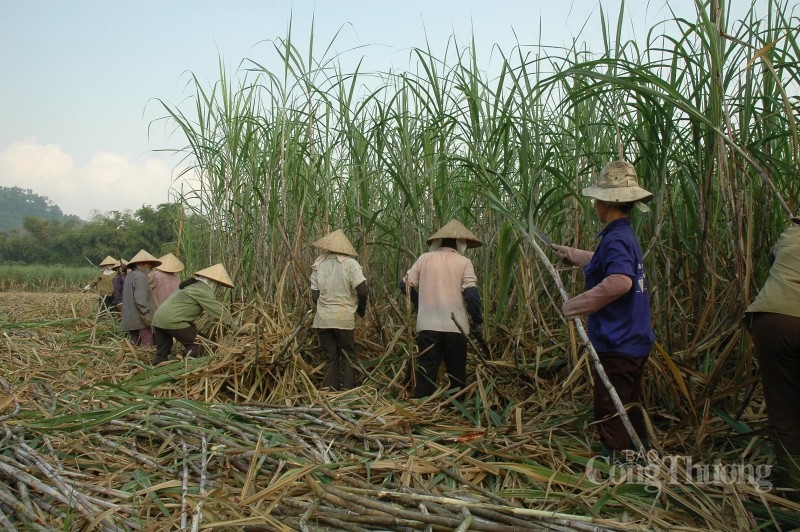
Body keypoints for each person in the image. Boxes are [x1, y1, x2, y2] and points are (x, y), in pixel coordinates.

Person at [553, 160, 655, 455]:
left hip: (618, 340)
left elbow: (620, 281)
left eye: (597, 199)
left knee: (611, 407)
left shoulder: (616, 238)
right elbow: (608, 265)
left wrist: (575, 305)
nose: (594, 205)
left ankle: (619, 469)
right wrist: (575, 255)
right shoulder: (622, 235)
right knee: (629, 402)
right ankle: (639, 452)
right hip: (633, 339)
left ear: (606, 203)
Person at [744, 216, 800, 495]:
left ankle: (794, 486)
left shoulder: (790, 234)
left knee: (784, 410)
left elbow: (773, 261)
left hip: (772, 321)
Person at [400, 219, 484, 398]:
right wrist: (478, 320)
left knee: (426, 374)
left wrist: (419, 301)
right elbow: (471, 295)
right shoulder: (464, 262)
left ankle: (422, 410)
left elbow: (404, 285)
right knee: (456, 375)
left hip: (427, 325)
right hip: (455, 327)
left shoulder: (424, 259)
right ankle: (457, 410)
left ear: (438, 242)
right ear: (461, 243)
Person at [309, 229, 368, 391]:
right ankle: (348, 394)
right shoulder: (350, 264)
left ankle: (329, 393)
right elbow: (363, 291)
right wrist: (361, 311)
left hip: (322, 319)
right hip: (343, 318)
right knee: (349, 356)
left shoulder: (318, 264)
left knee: (331, 357)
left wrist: (324, 307)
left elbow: (315, 295)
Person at [152, 263, 235, 365]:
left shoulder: (192, 286)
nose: (218, 287)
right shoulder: (202, 290)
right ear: (214, 282)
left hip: (159, 319)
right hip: (173, 320)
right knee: (198, 344)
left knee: (162, 353)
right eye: (219, 285)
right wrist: (236, 328)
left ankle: (155, 372)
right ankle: (184, 368)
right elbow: (219, 311)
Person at [120, 250, 161, 347]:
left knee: (134, 340)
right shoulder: (141, 276)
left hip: (129, 315)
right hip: (139, 316)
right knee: (147, 338)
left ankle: (132, 358)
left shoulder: (129, 276)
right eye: (148, 264)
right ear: (141, 263)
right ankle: (145, 358)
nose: (150, 266)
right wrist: (146, 311)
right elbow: (140, 298)